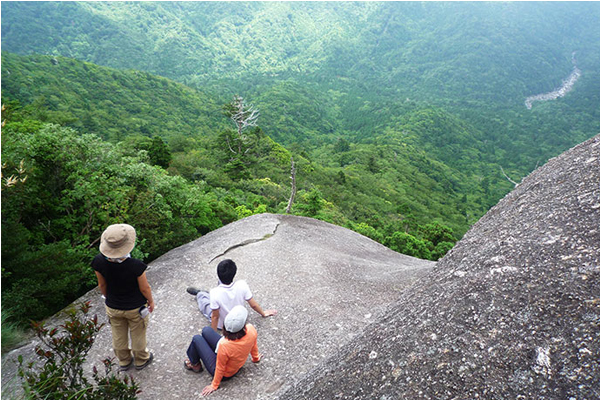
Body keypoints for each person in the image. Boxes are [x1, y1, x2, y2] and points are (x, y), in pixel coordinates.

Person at [92, 223, 155, 371]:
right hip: (135, 307)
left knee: (118, 334)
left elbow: (102, 285)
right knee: (138, 334)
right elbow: (144, 288)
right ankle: (141, 360)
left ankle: (124, 361)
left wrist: (111, 298)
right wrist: (151, 301)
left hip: (113, 306)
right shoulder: (136, 265)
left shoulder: (98, 261)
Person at [183, 305, 263, 396]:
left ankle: (195, 364)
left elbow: (220, 367)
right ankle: (198, 358)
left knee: (196, 338)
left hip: (226, 373)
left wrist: (214, 385)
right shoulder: (251, 329)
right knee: (206, 330)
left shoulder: (224, 344)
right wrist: (256, 358)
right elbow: (253, 345)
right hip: (236, 363)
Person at [187, 259, 277, 331]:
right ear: (234, 272)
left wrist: (213, 337)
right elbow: (253, 304)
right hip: (239, 321)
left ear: (218, 274)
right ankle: (208, 293)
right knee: (215, 296)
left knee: (205, 303)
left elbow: (215, 316)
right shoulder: (242, 284)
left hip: (223, 325)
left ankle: (200, 294)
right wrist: (263, 313)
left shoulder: (215, 292)